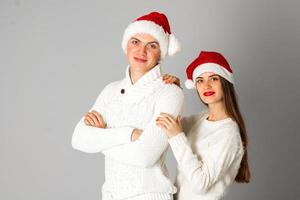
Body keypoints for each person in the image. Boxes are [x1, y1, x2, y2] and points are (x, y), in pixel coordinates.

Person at [72, 12, 184, 200]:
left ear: (161, 53)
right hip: (111, 195)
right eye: (136, 42)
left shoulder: (170, 93)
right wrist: (129, 134)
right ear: (126, 46)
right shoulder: (111, 90)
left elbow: (145, 156)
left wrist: (101, 137)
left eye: (152, 45)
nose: (142, 51)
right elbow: (78, 139)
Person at [157, 51, 250, 200]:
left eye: (213, 78)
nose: (206, 85)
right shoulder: (201, 119)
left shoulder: (229, 133)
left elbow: (201, 184)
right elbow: (167, 126)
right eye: (200, 80)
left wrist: (177, 136)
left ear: (225, 81)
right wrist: (174, 92)